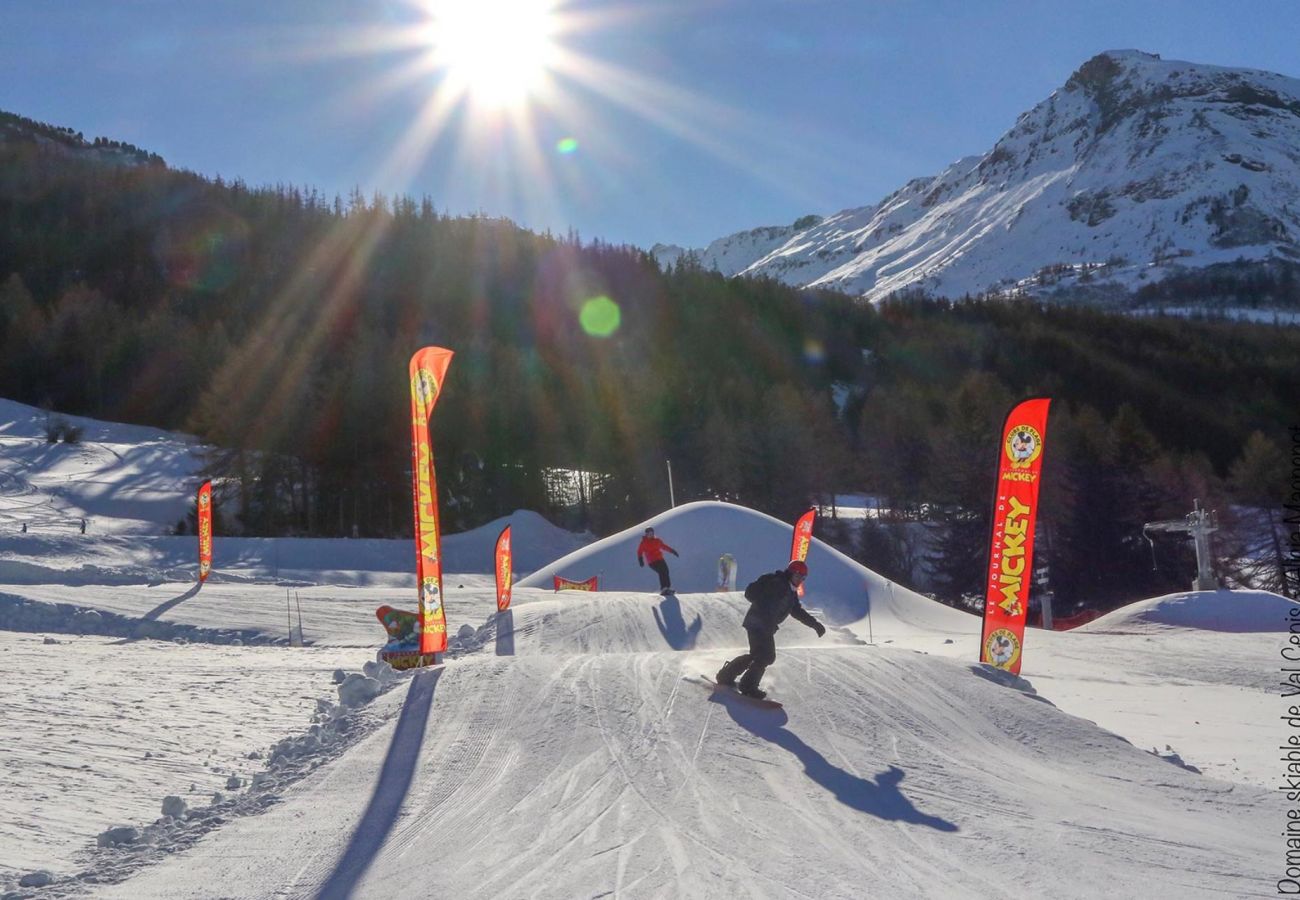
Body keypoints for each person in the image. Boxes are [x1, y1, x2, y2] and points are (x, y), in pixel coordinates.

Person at [716, 560, 825, 699]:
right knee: (766, 656)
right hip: (758, 621)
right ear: (791, 573)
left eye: (803, 578)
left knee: (758, 655)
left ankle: (727, 675)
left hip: (764, 625)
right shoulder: (776, 581)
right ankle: (746, 685)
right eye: (798, 576)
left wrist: (815, 624)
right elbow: (751, 593)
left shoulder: (791, 592)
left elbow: (797, 611)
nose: (800, 580)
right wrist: (763, 597)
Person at [636, 527, 679, 595]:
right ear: (646, 534)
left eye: (651, 533)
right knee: (661, 571)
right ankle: (664, 588)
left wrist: (672, 551)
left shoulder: (657, 540)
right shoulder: (644, 542)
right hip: (652, 561)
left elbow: (664, 546)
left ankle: (667, 587)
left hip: (660, 559)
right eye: (649, 534)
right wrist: (640, 559)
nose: (650, 535)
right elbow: (639, 551)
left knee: (666, 571)